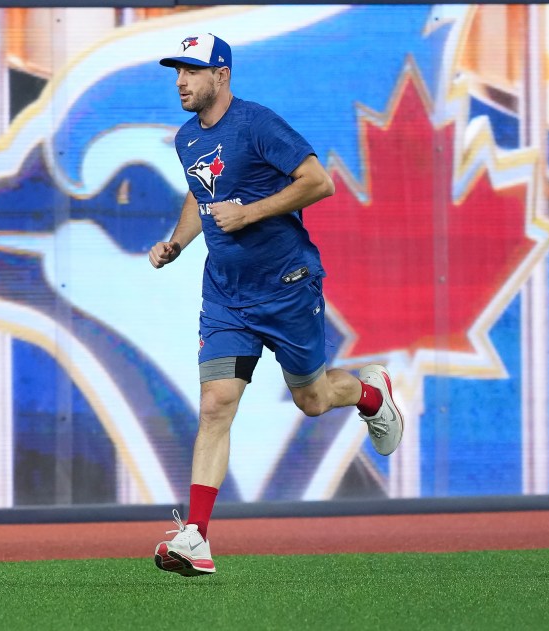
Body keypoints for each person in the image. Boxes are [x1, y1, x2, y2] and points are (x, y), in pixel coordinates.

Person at [148, 33, 404, 577]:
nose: (180, 81)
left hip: (287, 286)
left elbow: (319, 182)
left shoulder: (258, 124)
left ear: (222, 75)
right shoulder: (187, 138)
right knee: (216, 402)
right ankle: (196, 536)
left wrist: (252, 213)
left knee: (311, 400)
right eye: (176, 72)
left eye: (191, 71)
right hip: (225, 295)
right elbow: (201, 194)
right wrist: (177, 243)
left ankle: (369, 392)